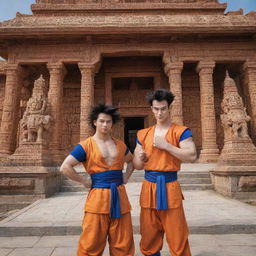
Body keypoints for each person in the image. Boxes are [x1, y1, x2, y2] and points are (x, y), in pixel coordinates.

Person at [60, 103, 135, 256]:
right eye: (101, 121)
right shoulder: (85, 146)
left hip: (120, 197)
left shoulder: (120, 145)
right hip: (97, 199)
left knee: (123, 244)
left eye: (108, 121)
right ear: (95, 122)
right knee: (91, 244)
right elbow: (65, 167)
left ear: (112, 123)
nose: (105, 125)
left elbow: (131, 161)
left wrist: (126, 177)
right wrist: (84, 181)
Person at [133, 89, 197, 256]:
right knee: (148, 235)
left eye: (163, 108)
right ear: (151, 109)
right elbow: (137, 165)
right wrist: (142, 158)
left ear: (169, 108)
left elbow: (191, 155)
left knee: (177, 234)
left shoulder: (181, 131)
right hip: (149, 187)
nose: (159, 112)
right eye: (156, 109)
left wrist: (166, 146)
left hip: (170, 186)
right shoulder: (143, 133)